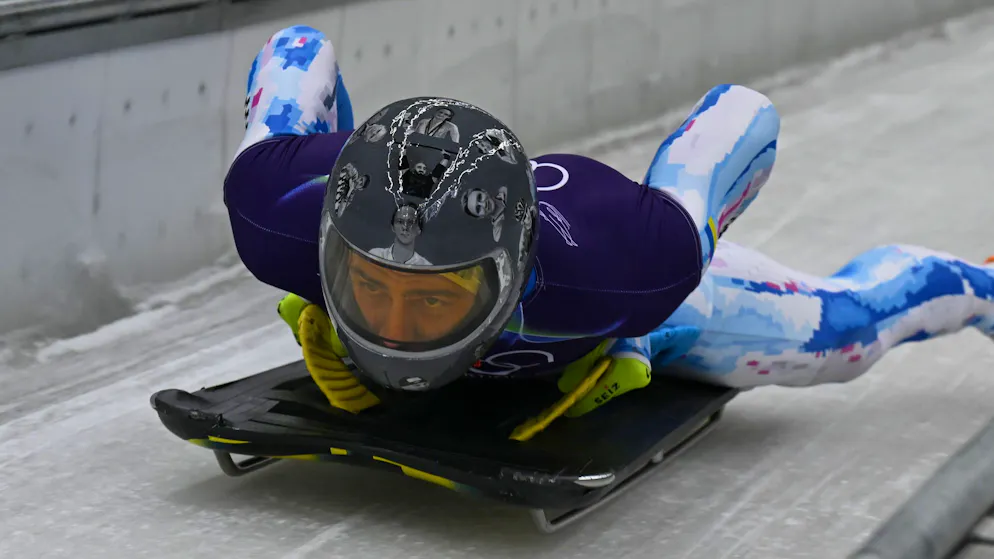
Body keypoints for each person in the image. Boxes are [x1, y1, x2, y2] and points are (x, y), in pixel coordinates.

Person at [224, 25, 994, 429]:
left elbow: (742, 112)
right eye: (369, 288)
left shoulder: (632, 260)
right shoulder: (277, 211)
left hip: (638, 303)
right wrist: (328, 305)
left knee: (843, 337)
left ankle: (982, 287)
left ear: (507, 277)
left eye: (432, 300)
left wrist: (638, 319)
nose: (391, 330)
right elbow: (297, 50)